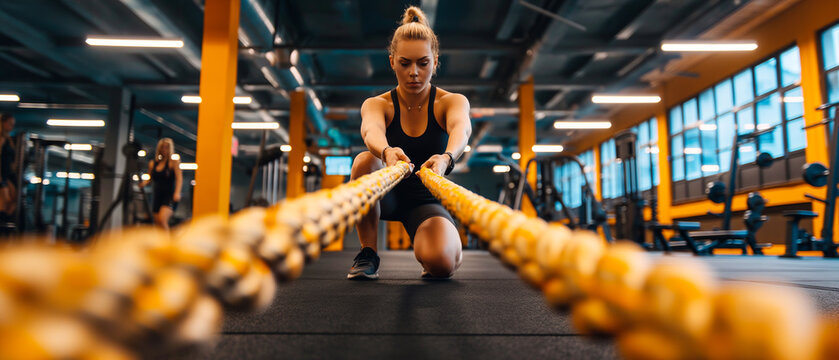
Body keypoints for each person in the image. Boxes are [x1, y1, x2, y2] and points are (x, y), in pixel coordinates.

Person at [348, 6, 472, 280]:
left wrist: (447, 158)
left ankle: (438, 247)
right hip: (386, 196)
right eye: (405, 63)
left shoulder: (451, 102)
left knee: (441, 264)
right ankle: (368, 253)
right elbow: (370, 131)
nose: (414, 72)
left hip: (425, 201)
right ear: (392, 62)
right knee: (364, 161)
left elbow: (461, 129)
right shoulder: (377, 104)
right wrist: (387, 152)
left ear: (435, 62)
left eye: (423, 63)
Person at [140, 138, 182, 230]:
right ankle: (161, 239)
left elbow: (179, 178)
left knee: (162, 219)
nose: (164, 149)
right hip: (157, 195)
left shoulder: (174, 163)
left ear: (170, 148)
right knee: (157, 223)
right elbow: (149, 179)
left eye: (166, 147)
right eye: (162, 147)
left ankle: (168, 239)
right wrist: (143, 183)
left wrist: (177, 192)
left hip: (169, 196)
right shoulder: (153, 163)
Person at [0, 113, 16, 216]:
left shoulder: (9, 139)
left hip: (8, 173)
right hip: (2, 174)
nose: (12, 127)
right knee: (5, 201)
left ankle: (5, 220)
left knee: (13, 199)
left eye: (13, 124)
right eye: (10, 123)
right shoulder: (1, 139)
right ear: (3, 123)